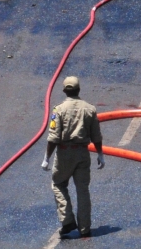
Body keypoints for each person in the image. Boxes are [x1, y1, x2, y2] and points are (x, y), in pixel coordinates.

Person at [42, 75, 103, 238]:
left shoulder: (59, 110)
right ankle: (85, 228)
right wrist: (100, 154)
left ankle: (67, 219)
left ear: (64, 91)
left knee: (58, 184)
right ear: (79, 89)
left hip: (65, 153)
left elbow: (54, 137)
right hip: (83, 152)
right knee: (83, 190)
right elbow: (96, 135)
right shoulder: (89, 109)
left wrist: (47, 158)